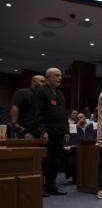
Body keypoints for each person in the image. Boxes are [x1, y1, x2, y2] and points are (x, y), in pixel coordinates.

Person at [34, 68, 70, 196]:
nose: (60, 78)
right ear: (48, 77)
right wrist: (42, 130)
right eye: (57, 75)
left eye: (60, 75)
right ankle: (40, 186)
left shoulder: (60, 93)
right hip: (47, 132)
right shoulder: (41, 91)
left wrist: (66, 131)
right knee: (45, 161)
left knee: (55, 161)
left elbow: (64, 113)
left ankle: (51, 185)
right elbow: (37, 113)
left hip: (59, 132)